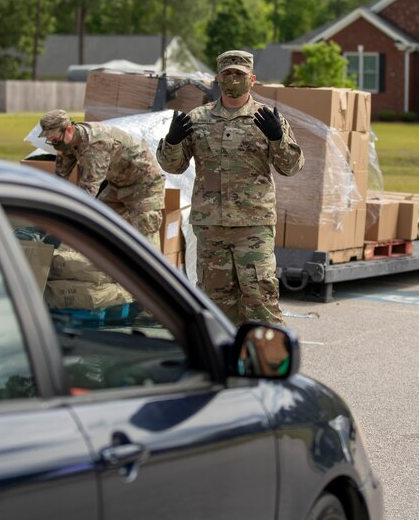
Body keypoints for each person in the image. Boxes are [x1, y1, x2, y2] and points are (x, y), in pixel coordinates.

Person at [156, 50, 304, 324]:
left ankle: (266, 360)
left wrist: (277, 138)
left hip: (252, 226)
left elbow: (291, 166)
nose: (233, 79)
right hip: (212, 227)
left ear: (252, 79)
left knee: (260, 298)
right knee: (215, 302)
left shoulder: (267, 119)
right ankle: (224, 360)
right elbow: (172, 166)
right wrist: (173, 141)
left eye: (240, 74)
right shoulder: (198, 118)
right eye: (228, 74)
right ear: (218, 78)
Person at [38, 109, 166, 248]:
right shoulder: (68, 141)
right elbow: (60, 178)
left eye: (56, 140)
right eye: (51, 141)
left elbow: (88, 189)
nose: (55, 144)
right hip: (118, 184)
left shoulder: (95, 145)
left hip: (145, 185)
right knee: (99, 223)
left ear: (68, 129)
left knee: (145, 236)